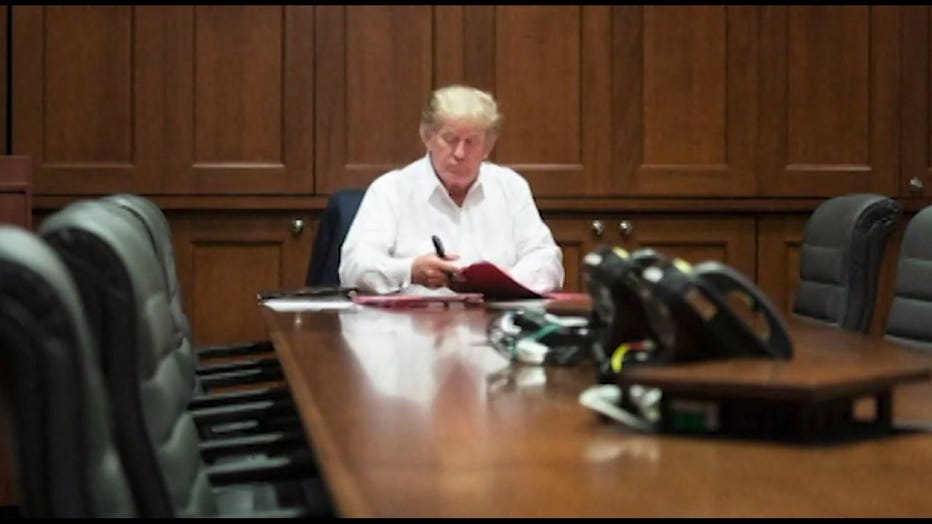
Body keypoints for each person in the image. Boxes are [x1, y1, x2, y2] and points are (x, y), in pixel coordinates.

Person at [338, 84, 564, 294]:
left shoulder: (510, 187)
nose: (459, 154)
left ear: (488, 147)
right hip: (412, 329)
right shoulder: (391, 190)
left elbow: (547, 259)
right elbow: (354, 268)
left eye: (471, 142)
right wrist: (410, 271)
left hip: (494, 325)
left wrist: (509, 279)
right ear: (427, 137)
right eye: (450, 139)